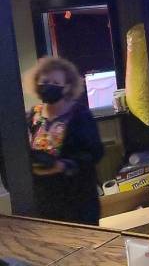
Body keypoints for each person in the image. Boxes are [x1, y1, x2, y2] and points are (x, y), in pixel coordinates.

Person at [25, 57, 103, 225]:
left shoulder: (80, 115)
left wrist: (63, 165)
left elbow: (95, 154)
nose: (49, 85)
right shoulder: (33, 116)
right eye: (44, 81)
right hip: (44, 201)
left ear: (67, 86)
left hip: (78, 200)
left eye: (55, 82)